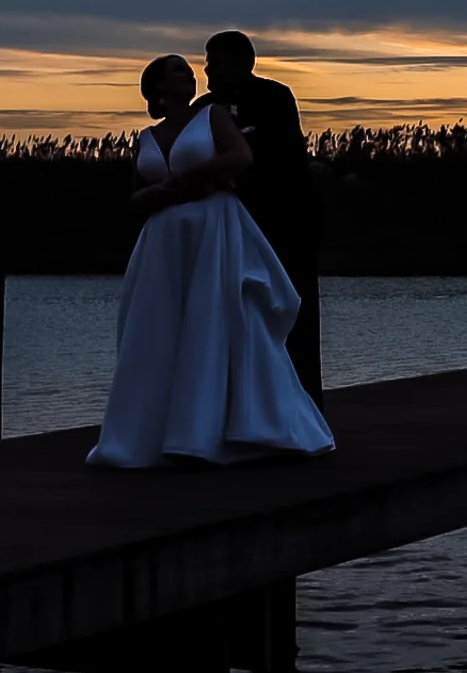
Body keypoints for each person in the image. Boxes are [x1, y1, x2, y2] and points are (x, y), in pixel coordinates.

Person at [87, 54, 334, 467]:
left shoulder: (212, 115)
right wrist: (151, 197)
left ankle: (223, 427)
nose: (190, 74)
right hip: (164, 240)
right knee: (160, 327)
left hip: (212, 227)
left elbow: (240, 158)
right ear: (157, 88)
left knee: (218, 318)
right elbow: (135, 192)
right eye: (178, 70)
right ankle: (154, 431)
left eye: (189, 70)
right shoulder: (147, 136)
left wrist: (180, 183)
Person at [192, 31, 326, 406]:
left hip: (281, 227)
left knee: (289, 315)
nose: (206, 70)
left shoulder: (274, 98)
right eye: (206, 62)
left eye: (214, 62)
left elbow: (285, 158)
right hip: (224, 231)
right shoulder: (202, 108)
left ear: (241, 64)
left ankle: (301, 404)